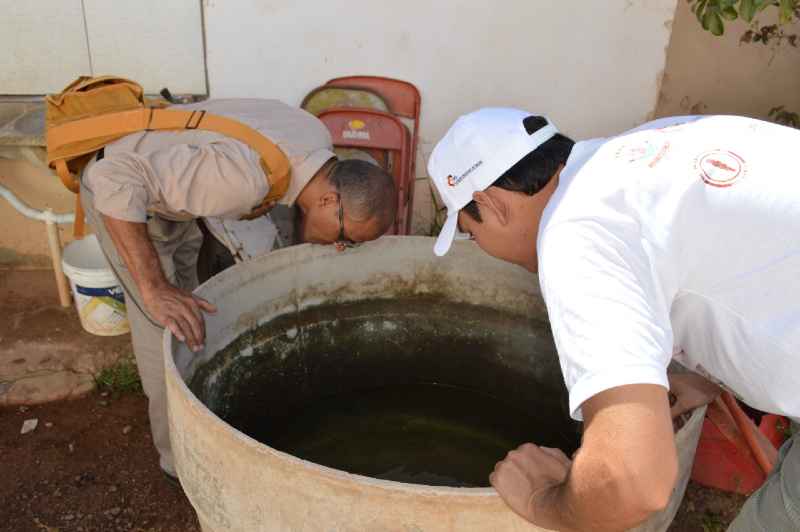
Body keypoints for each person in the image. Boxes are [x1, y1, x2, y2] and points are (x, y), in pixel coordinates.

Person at [428, 107, 799, 531]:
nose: (480, 246)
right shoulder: (640, 151)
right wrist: (702, 372)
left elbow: (632, 483)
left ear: (490, 204)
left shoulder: (577, 232)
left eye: (472, 235)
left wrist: (543, 502)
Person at [80, 98, 397, 480]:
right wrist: (154, 287)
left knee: (191, 303)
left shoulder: (314, 138)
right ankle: (177, 464)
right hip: (121, 193)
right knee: (166, 326)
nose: (342, 247)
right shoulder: (242, 183)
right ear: (329, 200)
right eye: (347, 236)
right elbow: (114, 177)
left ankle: (199, 409)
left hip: (166, 191)